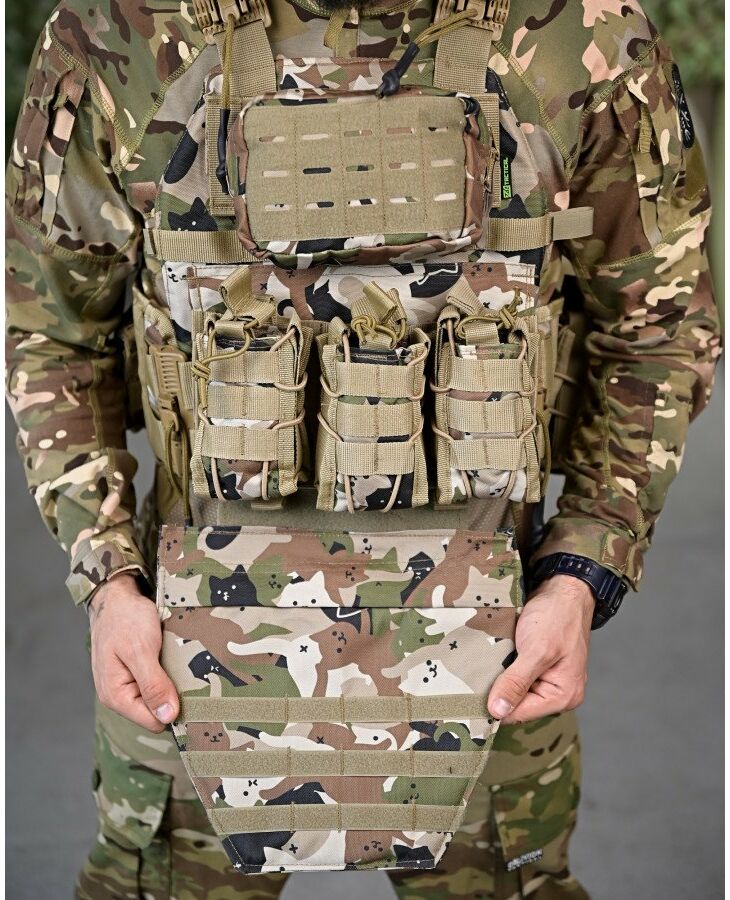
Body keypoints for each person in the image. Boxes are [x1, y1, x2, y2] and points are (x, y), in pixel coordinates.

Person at [6, 0, 720, 896]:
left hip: (498, 646)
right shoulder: (127, 30)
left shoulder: (579, 34)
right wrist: (109, 579)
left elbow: (659, 335)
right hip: (181, 646)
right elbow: (52, 333)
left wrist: (582, 574)